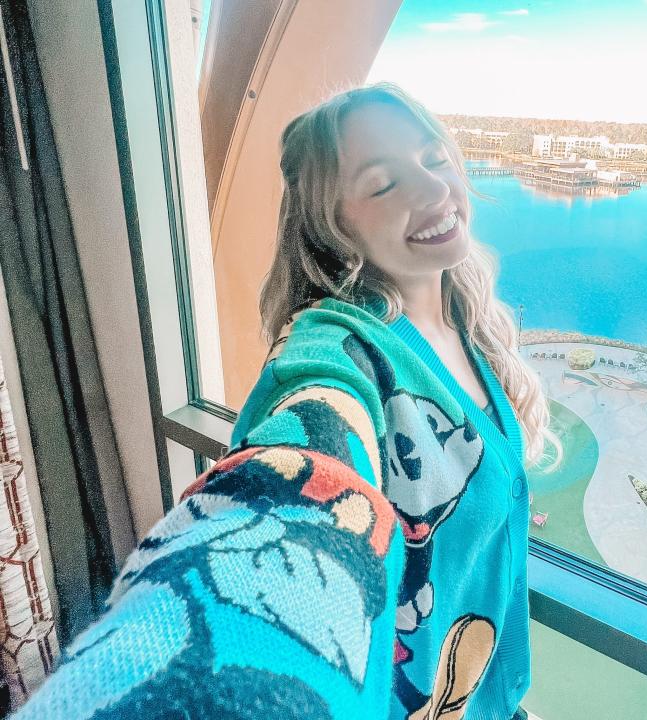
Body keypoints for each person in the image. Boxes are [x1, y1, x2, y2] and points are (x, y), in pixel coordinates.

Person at [14, 83, 560, 719]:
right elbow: (306, 452)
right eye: (383, 185)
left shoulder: (467, 326)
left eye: (435, 159)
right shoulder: (339, 349)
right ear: (333, 228)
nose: (435, 191)